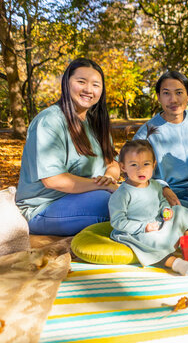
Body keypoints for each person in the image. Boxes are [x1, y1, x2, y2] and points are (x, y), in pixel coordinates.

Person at [16, 58, 120, 236]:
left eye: (95, 85)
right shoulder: (49, 121)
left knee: (135, 195)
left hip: (88, 196)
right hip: (44, 208)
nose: (88, 89)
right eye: (81, 82)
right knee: (111, 203)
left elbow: (113, 163)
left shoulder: (95, 123)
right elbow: (53, 180)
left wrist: (108, 179)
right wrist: (101, 186)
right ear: (66, 83)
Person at [109, 130, 188, 275]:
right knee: (152, 242)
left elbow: (162, 201)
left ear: (153, 165)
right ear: (123, 167)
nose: (141, 169)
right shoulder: (122, 194)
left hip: (158, 222)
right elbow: (118, 222)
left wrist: (165, 210)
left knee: (180, 210)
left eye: (146, 164)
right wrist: (144, 227)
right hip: (137, 232)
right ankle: (174, 263)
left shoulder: (156, 186)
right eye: (134, 165)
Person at [134, 71, 188, 216]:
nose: (173, 99)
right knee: (149, 209)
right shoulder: (146, 133)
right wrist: (161, 187)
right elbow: (133, 171)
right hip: (163, 193)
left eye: (179, 92)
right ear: (159, 97)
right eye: (166, 93)